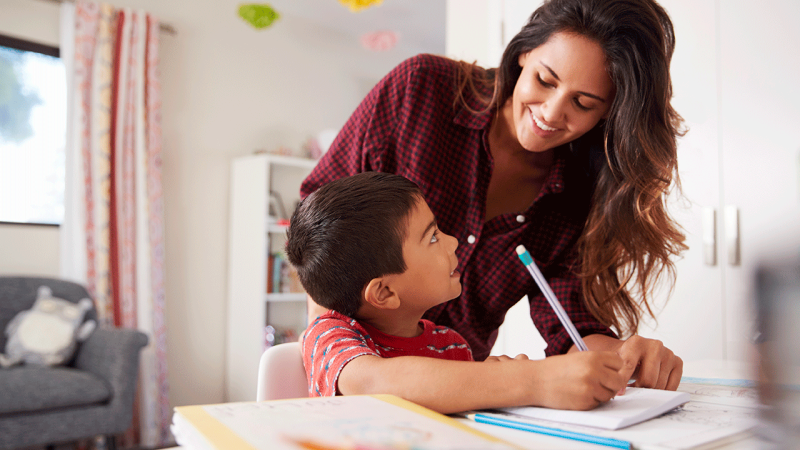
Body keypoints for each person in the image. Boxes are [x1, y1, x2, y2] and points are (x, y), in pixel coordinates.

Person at [301, 0, 687, 391]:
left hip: (461, 395)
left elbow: (569, 321)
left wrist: (616, 360)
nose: (551, 114)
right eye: (545, 80)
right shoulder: (421, 90)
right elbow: (320, 223)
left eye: (583, 103)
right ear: (523, 53)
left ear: (610, 111)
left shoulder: (580, 189)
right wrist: (332, 348)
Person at [287, 171, 628, 413]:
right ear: (385, 292)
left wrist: (492, 386)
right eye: (432, 237)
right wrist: (530, 380)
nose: (452, 242)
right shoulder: (330, 335)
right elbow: (374, 382)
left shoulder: (450, 345)